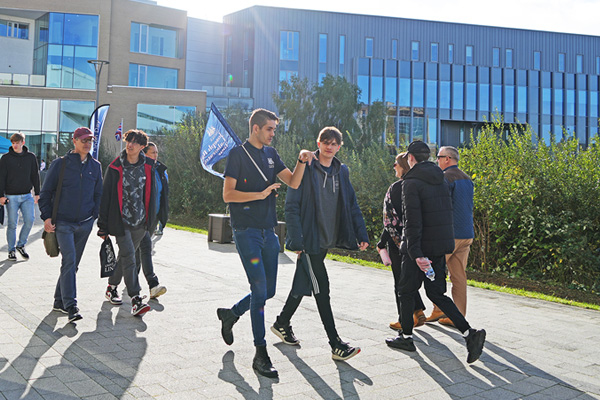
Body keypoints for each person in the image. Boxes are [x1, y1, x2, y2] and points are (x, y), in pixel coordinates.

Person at [216, 108, 315, 378]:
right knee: (259, 290)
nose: (273, 133)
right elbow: (227, 195)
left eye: (274, 128)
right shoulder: (237, 154)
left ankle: (231, 314)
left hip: (269, 233)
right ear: (256, 128)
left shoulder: (272, 155)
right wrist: (259, 195)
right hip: (246, 231)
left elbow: (294, 182)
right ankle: (260, 354)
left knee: (268, 291)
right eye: (270, 128)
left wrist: (302, 161)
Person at [270, 126, 369, 362]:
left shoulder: (341, 171)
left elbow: (351, 204)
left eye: (334, 143)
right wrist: (297, 240)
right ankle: (336, 344)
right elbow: (292, 205)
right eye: (326, 141)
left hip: (326, 240)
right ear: (319, 142)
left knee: (302, 283)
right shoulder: (306, 167)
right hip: (310, 242)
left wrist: (361, 233)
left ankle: (282, 323)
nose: (329, 146)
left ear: (339, 146)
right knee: (321, 289)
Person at [386, 141, 485, 364]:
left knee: (405, 290)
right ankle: (470, 334)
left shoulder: (411, 182)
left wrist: (414, 251)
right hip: (439, 246)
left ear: (410, 158)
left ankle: (406, 337)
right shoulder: (440, 177)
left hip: (419, 247)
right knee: (437, 293)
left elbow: (412, 220)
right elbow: (445, 213)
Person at [39, 127, 103, 323]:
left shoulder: (96, 166)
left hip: (84, 223)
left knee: (72, 265)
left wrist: (95, 216)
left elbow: (99, 194)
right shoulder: (61, 164)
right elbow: (46, 193)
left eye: (90, 140)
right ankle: (71, 306)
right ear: (74, 141)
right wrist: (47, 217)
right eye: (83, 140)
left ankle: (59, 301)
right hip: (63, 223)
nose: (87, 144)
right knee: (69, 261)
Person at [97, 129, 158, 317]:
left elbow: (154, 195)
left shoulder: (149, 166)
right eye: (128, 141)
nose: (130, 145)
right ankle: (136, 299)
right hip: (120, 221)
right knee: (130, 258)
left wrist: (154, 221)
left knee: (124, 257)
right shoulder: (115, 167)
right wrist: (103, 226)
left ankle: (111, 287)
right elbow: (105, 196)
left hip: (141, 222)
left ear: (142, 147)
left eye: (134, 142)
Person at [376, 152, 426, 332]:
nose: (393, 167)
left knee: (400, 282)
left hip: (398, 243)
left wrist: (381, 243)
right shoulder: (419, 186)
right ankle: (418, 311)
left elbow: (390, 222)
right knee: (410, 279)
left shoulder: (395, 188)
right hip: (417, 242)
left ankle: (403, 320)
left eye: (396, 164)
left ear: (403, 166)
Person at [426, 146, 474, 327]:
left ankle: (438, 309)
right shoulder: (467, 179)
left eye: (438, 157)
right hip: (467, 234)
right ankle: (458, 316)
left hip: (449, 235)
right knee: (459, 277)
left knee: (433, 272)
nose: (436, 161)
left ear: (447, 159)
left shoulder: (445, 178)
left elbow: (441, 207)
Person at [134, 142, 168, 299]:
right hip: (141, 217)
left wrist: (163, 216)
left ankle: (128, 283)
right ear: (144, 154)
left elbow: (163, 195)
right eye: (152, 153)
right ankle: (152, 284)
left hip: (153, 217)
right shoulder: (141, 170)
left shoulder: (160, 171)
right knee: (145, 247)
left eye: (157, 152)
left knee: (136, 251)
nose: (155, 155)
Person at [0, 133, 40, 261]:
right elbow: (1, 178)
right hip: (11, 197)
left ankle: (21, 245)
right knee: (12, 224)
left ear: (23, 142)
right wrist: (1, 195)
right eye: (13, 143)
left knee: (30, 220)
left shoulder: (31, 157)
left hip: (27, 195)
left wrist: (37, 193)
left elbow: (35, 175)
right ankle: (11, 250)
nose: (15, 145)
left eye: (17, 142)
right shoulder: (5, 158)